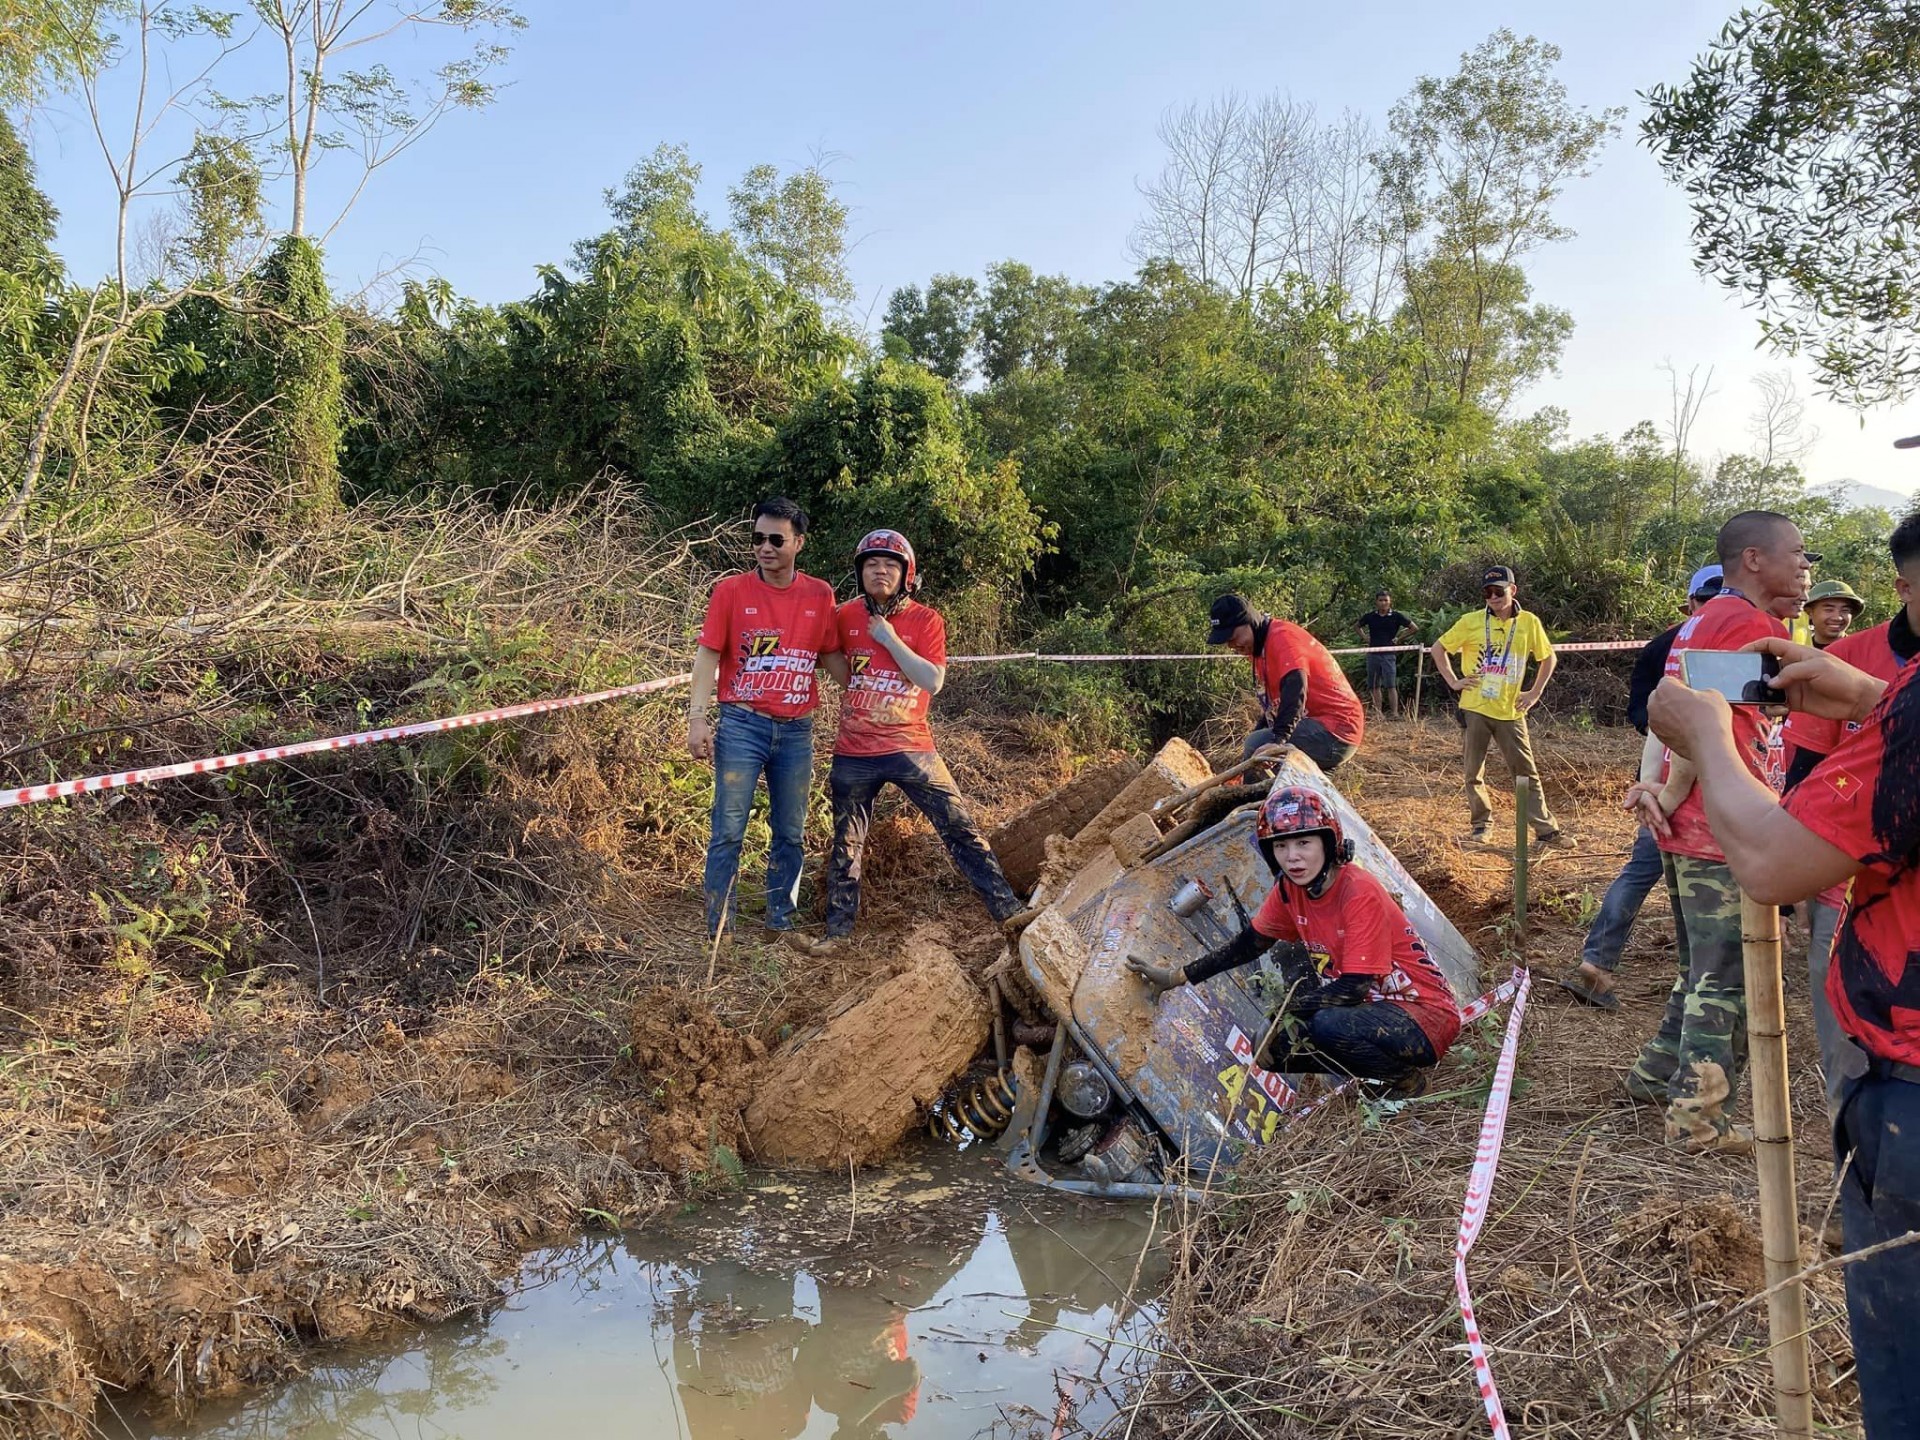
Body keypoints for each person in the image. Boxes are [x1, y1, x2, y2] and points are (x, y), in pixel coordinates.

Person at [1644, 620, 1920, 1439]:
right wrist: (1876, 699)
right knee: (1706, 980)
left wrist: (1703, 731)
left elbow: (1769, 862)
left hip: (1908, 1092)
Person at [1624, 510, 1811, 1152]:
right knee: (1722, 976)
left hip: (1696, 820)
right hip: (1720, 827)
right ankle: (1696, 1118)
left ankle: (1653, 1077)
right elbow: (1703, 725)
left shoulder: (1708, 621)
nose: (1807, 567)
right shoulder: (1743, 625)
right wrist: (1671, 790)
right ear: (1754, 559)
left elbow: (1671, 715)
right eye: (1798, 553)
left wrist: (1663, 791)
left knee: (1701, 967)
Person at [1126, 786, 1460, 1095]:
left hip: (1425, 1019)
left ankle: (1405, 1082)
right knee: (1273, 1052)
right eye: (1281, 845)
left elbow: (1354, 988)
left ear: (1327, 843)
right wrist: (1175, 977)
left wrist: (1281, 1014)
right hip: (1376, 1014)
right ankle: (1380, 1073)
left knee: (1326, 1024)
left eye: (1303, 843)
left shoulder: (1358, 891)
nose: (1293, 857)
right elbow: (1248, 945)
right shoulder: (1289, 891)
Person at [808, 529, 1024, 953]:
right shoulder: (844, 615)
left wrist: (889, 638)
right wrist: (852, 684)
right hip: (855, 750)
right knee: (847, 841)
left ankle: (1009, 912)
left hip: (912, 747)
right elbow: (826, 652)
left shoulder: (927, 620)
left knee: (959, 828)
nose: (880, 570)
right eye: (871, 564)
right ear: (860, 572)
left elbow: (933, 680)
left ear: (907, 574)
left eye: (890, 564)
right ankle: (838, 934)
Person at [1780, 553, 1913, 1127]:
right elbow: (1804, 768)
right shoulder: (1841, 662)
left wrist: (1707, 739)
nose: (1836, 617)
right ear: (1904, 586)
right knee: (1846, 1036)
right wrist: (1793, 890)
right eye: (1826, 608)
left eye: (1844, 610)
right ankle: (1851, 1145)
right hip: (1845, 885)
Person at [1557, 565, 1724, 1010]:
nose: (1713, 609)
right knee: (1681, 880)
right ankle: (1690, 984)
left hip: (1684, 781)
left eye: (1722, 599)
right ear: (1690, 603)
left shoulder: (1733, 642)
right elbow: (1647, 713)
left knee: (1653, 875)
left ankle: (1603, 964)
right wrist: (1657, 784)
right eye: (1706, 601)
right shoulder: (1667, 647)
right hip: (1687, 785)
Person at [688, 497, 841, 940]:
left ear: (799, 543)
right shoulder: (731, 592)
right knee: (728, 829)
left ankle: (781, 921)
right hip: (742, 725)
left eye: (776, 539)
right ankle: (720, 926)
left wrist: (868, 685)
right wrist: (698, 719)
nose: (765, 547)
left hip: (796, 731)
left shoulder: (820, 594)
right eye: (758, 538)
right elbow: (707, 658)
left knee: (791, 831)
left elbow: (830, 655)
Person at [1427, 566, 1565, 845]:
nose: (1493, 597)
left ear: (1512, 590)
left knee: (1525, 772)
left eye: (1498, 591)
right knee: (1473, 771)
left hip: (1511, 710)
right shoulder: (1471, 621)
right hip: (1475, 707)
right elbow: (1438, 648)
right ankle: (1481, 826)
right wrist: (1454, 681)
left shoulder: (1528, 623)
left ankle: (1546, 831)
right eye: (1487, 592)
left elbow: (1548, 658)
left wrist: (1534, 692)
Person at [1206, 594, 1365, 773]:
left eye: (1232, 637)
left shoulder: (1283, 638)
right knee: (1257, 742)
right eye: (1226, 642)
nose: (1231, 646)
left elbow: (1296, 688)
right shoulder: (1260, 650)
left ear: (1249, 621)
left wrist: (1276, 740)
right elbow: (1276, 708)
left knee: (1256, 745)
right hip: (1322, 727)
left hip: (1336, 731)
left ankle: (1254, 799)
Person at [1355, 591, 1417, 717]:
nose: (1383, 603)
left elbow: (1414, 627)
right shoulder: (1370, 616)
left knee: (1390, 685)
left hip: (1389, 654)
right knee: (1374, 685)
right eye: (1381, 600)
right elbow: (1356, 626)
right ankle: (1378, 713)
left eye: (1386, 600)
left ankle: (1394, 713)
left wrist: (1399, 638)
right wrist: (1365, 637)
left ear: (1390, 602)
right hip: (1373, 654)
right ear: (1376, 602)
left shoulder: (1396, 616)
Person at [1805, 578, 1866, 649]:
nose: (1837, 617)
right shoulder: (1798, 652)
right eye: (1829, 610)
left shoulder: (1861, 651)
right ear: (1810, 613)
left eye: (1845, 610)